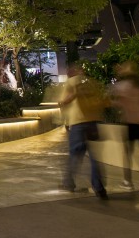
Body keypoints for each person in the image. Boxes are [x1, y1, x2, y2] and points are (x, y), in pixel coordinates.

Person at [58, 64, 108, 199]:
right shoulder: (91, 82)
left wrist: (65, 118)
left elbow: (64, 102)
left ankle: (68, 183)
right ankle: (99, 188)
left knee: (75, 155)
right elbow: (100, 101)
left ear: (70, 73)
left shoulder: (71, 82)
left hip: (78, 122)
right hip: (93, 123)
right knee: (94, 158)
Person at [111, 61, 139, 199]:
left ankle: (127, 181)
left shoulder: (122, 86)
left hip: (132, 123)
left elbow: (119, 103)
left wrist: (105, 103)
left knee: (127, 153)